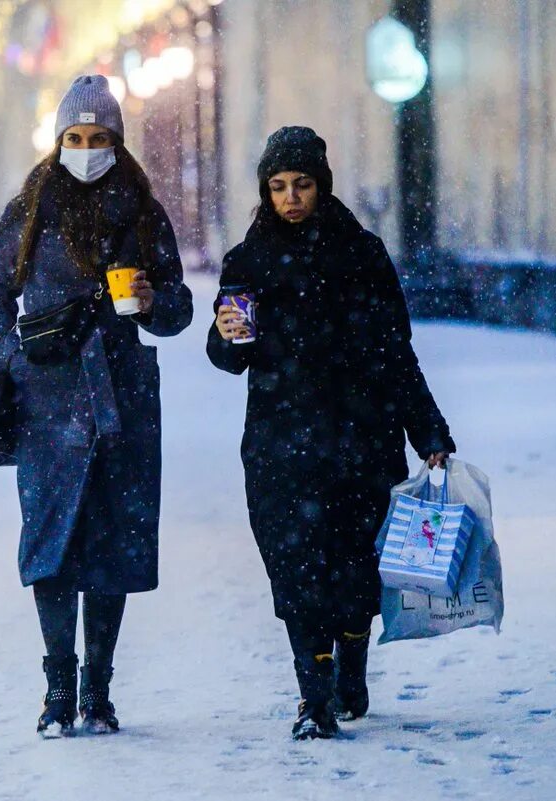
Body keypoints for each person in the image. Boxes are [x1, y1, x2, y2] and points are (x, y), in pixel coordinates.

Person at [207, 126, 455, 740]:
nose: (290, 197)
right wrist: (227, 334)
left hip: (360, 441)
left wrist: (428, 430)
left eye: (302, 184)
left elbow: (397, 354)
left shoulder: (363, 255)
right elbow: (228, 354)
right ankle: (313, 699)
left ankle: (352, 664)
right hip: (279, 448)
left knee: (354, 572)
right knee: (294, 572)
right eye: (278, 186)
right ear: (265, 192)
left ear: (322, 185)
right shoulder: (249, 260)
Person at [0, 75, 193, 737]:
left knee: (113, 545)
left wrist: (154, 303)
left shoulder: (141, 211)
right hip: (48, 401)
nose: (87, 148)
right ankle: (56, 688)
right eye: (76, 137)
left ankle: (98, 691)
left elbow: (179, 306)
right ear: (59, 140)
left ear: (117, 142)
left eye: (99, 138)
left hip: (122, 401)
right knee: (51, 544)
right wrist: (8, 352)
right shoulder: (31, 208)